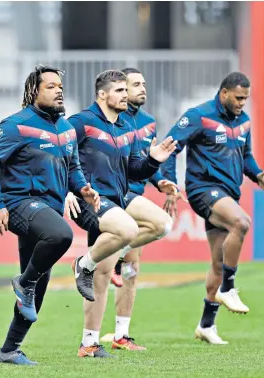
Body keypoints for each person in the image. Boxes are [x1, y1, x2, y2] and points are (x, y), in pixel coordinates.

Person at [0, 65, 100, 365]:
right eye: (51, 86)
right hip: (20, 204)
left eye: (61, 86)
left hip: (48, 210)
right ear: (34, 91)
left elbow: (73, 168)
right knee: (61, 235)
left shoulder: (67, 128)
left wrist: (83, 188)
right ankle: (24, 282)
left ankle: (9, 350)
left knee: (39, 289)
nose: (59, 90)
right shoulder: (15, 125)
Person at [66, 69, 176, 357]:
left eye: (127, 90)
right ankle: (82, 266)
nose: (126, 94)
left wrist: (153, 161)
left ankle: (98, 340)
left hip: (117, 201)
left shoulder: (126, 128)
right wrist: (67, 190)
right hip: (92, 202)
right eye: (121, 90)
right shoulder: (81, 122)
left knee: (109, 271)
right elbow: (59, 156)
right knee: (117, 248)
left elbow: (135, 169)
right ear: (102, 94)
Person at [161, 71, 264, 344]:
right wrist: (170, 183)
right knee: (241, 223)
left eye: (246, 98)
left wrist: (259, 176)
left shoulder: (244, 122)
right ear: (224, 93)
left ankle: (206, 326)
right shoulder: (199, 116)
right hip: (202, 189)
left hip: (227, 194)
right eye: (238, 97)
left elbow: (245, 158)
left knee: (218, 262)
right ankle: (229, 289)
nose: (242, 103)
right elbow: (170, 146)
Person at [102, 67, 181, 352]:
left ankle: (121, 335)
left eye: (143, 84)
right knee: (162, 225)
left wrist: (161, 181)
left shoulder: (148, 123)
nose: (142, 89)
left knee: (131, 271)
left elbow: (142, 164)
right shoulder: (112, 120)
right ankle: (89, 337)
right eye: (135, 84)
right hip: (117, 197)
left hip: (136, 194)